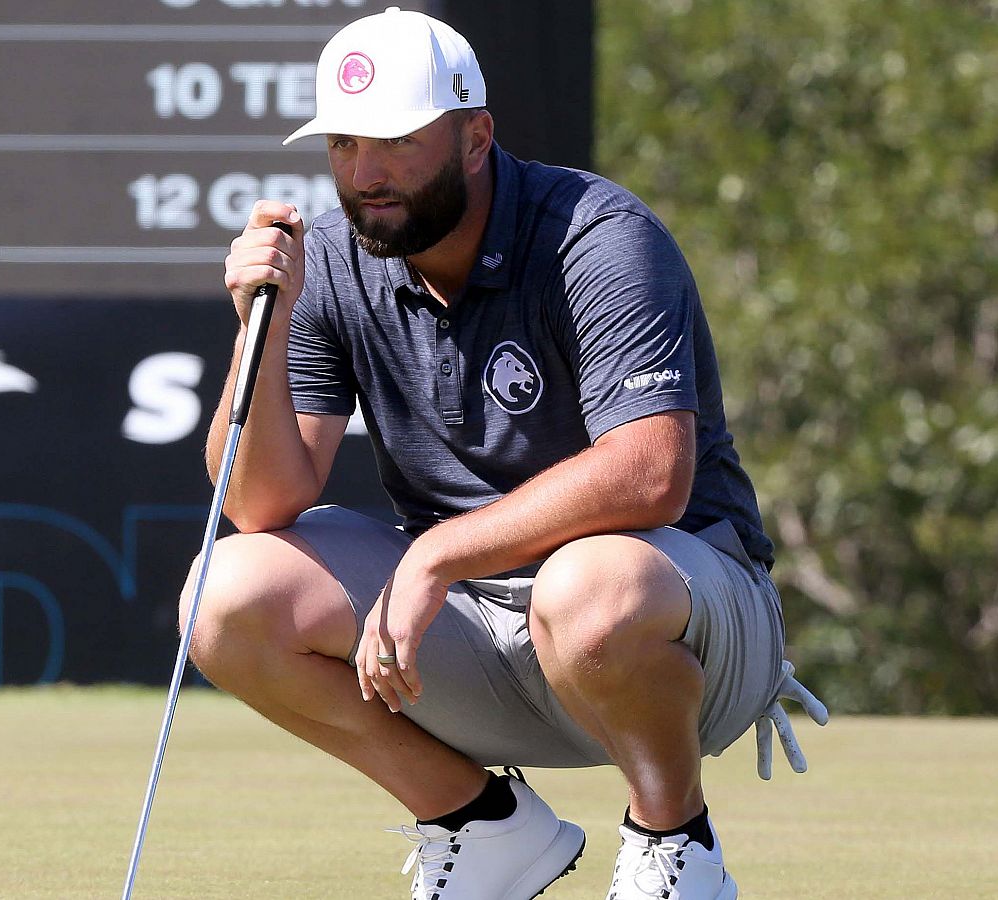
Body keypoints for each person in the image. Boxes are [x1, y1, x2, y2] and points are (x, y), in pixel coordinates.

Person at [186, 7, 826, 898]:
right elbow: (259, 506)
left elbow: (652, 472)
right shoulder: (328, 261)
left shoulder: (596, 234)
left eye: (396, 142)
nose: (364, 175)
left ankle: (675, 842)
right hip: (474, 633)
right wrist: (264, 323)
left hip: (679, 625)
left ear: (476, 136)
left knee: (589, 589)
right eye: (342, 145)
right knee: (224, 593)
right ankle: (479, 826)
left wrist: (437, 556)